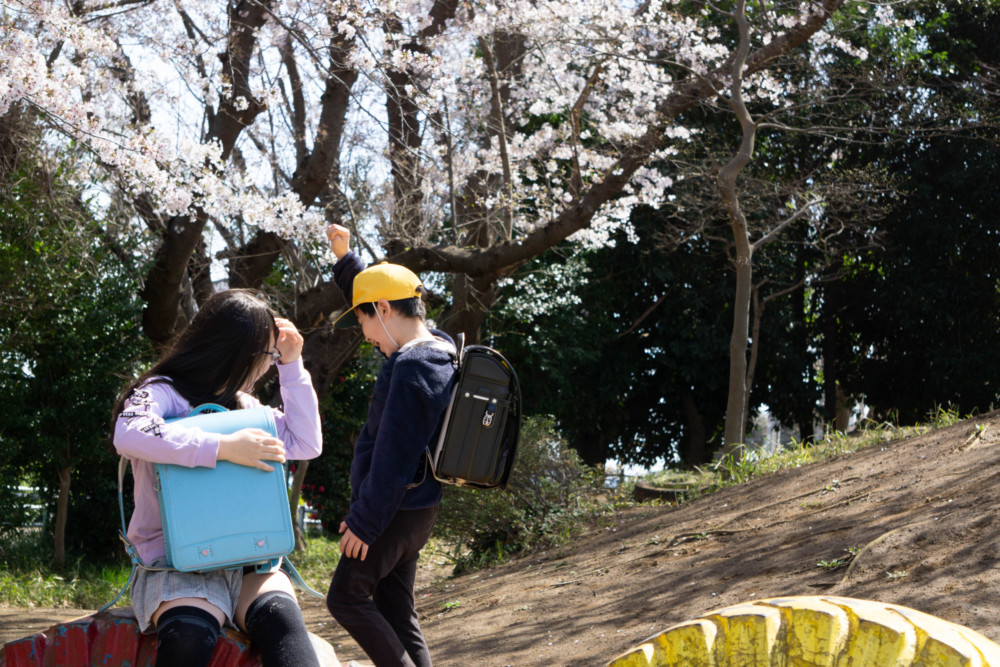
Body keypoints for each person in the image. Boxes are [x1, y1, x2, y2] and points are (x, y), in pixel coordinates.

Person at [111, 289, 323, 667]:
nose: (269, 365)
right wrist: (223, 447)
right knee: (188, 639)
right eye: (270, 357)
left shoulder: (246, 405)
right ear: (239, 353)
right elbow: (129, 432)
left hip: (249, 561)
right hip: (174, 565)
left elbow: (305, 442)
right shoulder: (162, 392)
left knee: (284, 625)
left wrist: (292, 365)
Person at [324, 223, 457, 667]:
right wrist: (346, 263)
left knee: (346, 598)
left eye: (364, 321)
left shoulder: (413, 367)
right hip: (417, 509)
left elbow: (394, 456)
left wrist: (364, 521)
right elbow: (376, 294)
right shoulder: (439, 346)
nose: (366, 335)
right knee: (397, 614)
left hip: (394, 511)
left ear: (383, 309)